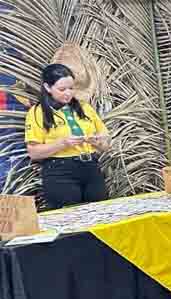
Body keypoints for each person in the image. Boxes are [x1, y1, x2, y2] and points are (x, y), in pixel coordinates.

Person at [25, 63, 110, 209]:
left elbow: (106, 145)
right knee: (69, 221)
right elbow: (34, 153)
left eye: (71, 88)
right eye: (62, 89)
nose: (68, 93)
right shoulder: (37, 112)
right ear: (47, 87)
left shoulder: (85, 108)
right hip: (60, 172)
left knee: (101, 214)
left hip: (91, 167)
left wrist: (96, 142)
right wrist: (62, 143)